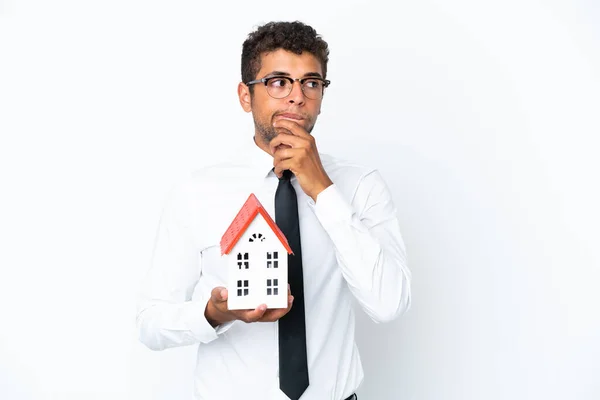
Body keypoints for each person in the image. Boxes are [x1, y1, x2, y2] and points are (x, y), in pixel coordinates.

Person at [136, 20, 412, 400]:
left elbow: (388, 303)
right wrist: (215, 314)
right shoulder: (197, 193)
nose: (297, 97)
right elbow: (150, 323)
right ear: (246, 96)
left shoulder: (360, 186)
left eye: (311, 83)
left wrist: (322, 189)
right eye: (279, 82)